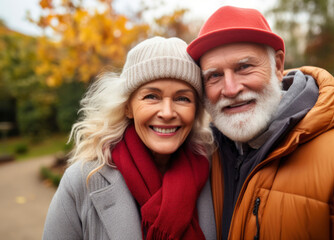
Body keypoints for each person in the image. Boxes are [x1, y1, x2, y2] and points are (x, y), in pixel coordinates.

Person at [186, 6, 334, 240]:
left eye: (244, 67)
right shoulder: (203, 155)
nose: (230, 89)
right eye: (214, 75)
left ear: (278, 66)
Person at [42, 36, 217, 240]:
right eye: (152, 96)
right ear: (128, 107)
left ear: (196, 111)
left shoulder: (215, 174)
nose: (167, 113)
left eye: (182, 98)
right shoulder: (82, 180)